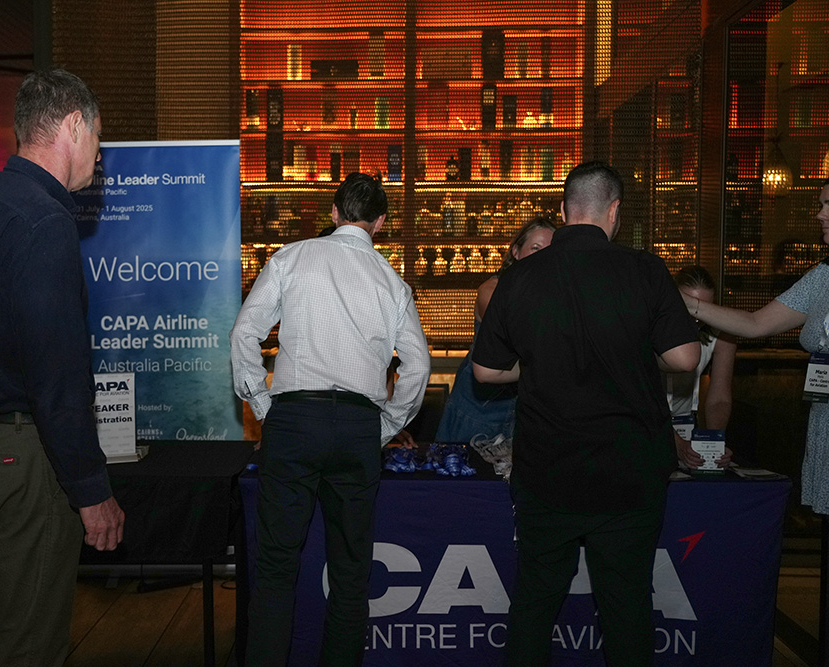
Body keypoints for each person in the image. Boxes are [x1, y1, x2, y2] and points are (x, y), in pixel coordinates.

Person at [0, 69, 125, 667]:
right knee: (29, 638)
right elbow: (56, 374)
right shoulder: (45, 222)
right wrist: (91, 491)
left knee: (16, 613)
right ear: (74, 125)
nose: (100, 155)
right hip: (18, 450)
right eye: (99, 137)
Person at [472, 162, 700, 665]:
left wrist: (539, 362)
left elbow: (485, 371)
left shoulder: (520, 277)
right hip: (629, 471)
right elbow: (686, 358)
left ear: (563, 210)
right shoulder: (645, 270)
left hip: (547, 470)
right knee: (627, 607)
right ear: (614, 211)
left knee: (534, 604)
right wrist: (632, 354)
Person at [230, 172, 431, 666]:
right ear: (380, 223)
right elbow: (419, 365)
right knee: (350, 573)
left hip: (294, 421)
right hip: (358, 427)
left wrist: (265, 407)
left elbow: (243, 335)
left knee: (276, 569)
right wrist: (385, 425)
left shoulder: (292, 257)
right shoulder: (392, 281)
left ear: (335, 213)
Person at [688, 178, 829, 512]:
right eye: (820, 205)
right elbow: (755, 324)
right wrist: (684, 303)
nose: (819, 215)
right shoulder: (822, 276)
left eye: (827, 205)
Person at [433, 216, 556, 444]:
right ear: (516, 252)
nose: (543, 257)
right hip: (479, 408)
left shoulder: (550, 297)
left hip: (524, 410)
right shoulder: (491, 291)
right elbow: (518, 329)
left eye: (550, 251)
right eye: (535, 248)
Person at [668, 265, 736, 469]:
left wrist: (713, 443)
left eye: (703, 309)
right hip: (644, 422)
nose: (696, 318)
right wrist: (675, 443)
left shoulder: (722, 334)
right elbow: (640, 398)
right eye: (689, 307)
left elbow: (719, 399)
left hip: (685, 422)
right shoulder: (648, 327)